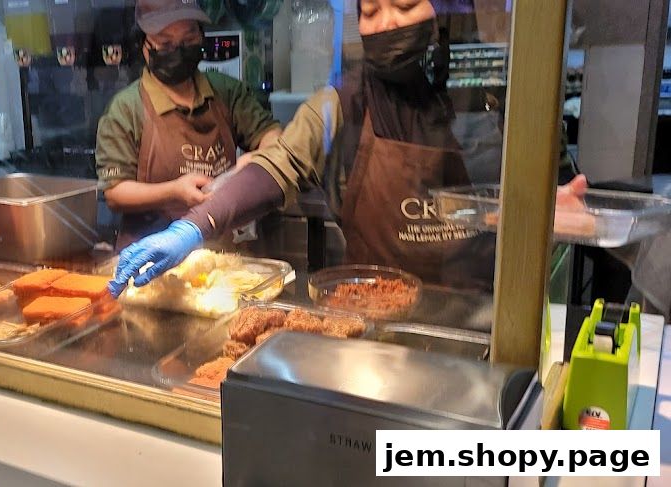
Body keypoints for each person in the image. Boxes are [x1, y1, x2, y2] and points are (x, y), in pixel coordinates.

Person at [110, 0, 587, 296]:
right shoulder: (339, 106)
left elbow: (555, 194)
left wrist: (548, 208)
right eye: (370, 10)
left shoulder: (491, 104)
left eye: (404, 6)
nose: (385, 24)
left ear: (442, 12)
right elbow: (276, 166)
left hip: (481, 316)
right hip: (372, 311)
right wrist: (193, 228)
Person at [94, 0, 282, 250]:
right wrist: (174, 191)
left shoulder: (225, 91)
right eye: (165, 42)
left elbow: (272, 135)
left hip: (219, 255)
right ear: (144, 46)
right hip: (148, 256)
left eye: (189, 38)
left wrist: (255, 160)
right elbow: (115, 193)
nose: (179, 50)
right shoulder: (126, 109)